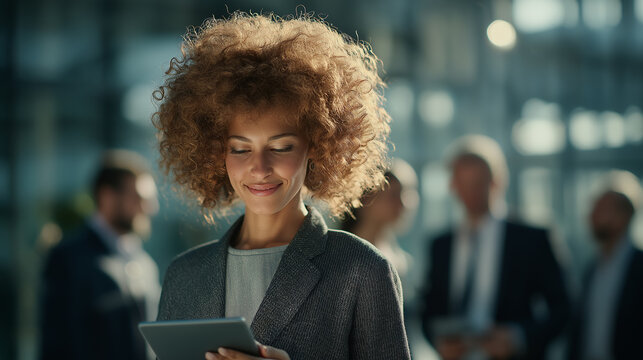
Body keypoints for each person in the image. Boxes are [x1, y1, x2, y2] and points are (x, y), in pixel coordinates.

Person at [152, 11, 410, 360]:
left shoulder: (360, 269)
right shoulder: (185, 276)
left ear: (317, 145)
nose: (259, 168)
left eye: (281, 147)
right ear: (216, 152)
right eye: (240, 149)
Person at [419, 135, 570, 360]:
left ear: (497, 181)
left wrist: (519, 337)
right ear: (452, 185)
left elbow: (562, 308)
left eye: (478, 183)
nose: (470, 192)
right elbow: (429, 308)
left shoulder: (533, 239)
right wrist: (439, 343)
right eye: (463, 183)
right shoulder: (440, 245)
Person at [39, 150, 161, 360]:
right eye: (139, 197)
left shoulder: (145, 263)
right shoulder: (69, 258)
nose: (150, 208)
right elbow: (56, 344)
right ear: (107, 196)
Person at [567, 170, 643, 360]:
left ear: (624, 216)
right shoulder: (592, 268)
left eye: (601, 209)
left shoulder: (639, 267)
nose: (592, 216)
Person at [341, 158, 418, 287]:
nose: (403, 204)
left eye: (405, 195)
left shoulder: (402, 260)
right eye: (393, 195)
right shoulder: (342, 254)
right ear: (366, 198)